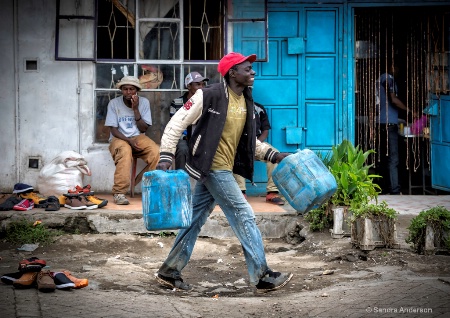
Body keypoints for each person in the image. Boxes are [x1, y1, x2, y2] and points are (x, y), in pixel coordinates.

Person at [155, 52, 293, 293]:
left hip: (222, 168)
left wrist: (274, 155)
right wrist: (166, 154)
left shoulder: (246, 101)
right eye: (247, 69)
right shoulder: (208, 95)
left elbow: (248, 141)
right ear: (232, 73)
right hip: (213, 168)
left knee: (193, 221)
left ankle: (169, 271)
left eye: (252, 69)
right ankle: (262, 275)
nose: (253, 72)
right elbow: (177, 123)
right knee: (244, 214)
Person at [104, 76, 160, 205]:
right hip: (118, 138)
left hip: (138, 136)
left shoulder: (144, 102)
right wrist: (129, 142)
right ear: (121, 90)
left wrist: (135, 109)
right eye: (125, 89)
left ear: (137, 90)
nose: (128, 92)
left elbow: (144, 128)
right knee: (125, 151)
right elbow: (113, 130)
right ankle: (119, 193)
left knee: (156, 152)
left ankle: (151, 189)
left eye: (132, 89)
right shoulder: (114, 103)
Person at [233, 102, 284, 205]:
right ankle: (241, 192)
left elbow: (265, 130)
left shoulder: (258, 108)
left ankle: (272, 192)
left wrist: (255, 144)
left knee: (276, 156)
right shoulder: (231, 107)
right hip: (237, 144)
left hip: (257, 143)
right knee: (237, 155)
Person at [375, 63, 408, 195]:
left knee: (384, 157)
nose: (398, 70)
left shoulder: (379, 79)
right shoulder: (388, 78)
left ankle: (383, 189)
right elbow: (393, 100)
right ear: (391, 65)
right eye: (397, 67)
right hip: (389, 123)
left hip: (382, 122)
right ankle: (395, 190)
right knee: (393, 158)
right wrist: (410, 110)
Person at [170, 72, 209, 170]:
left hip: (202, 139)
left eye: (203, 84)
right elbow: (174, 125)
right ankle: (181, 180)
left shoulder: (207, 102)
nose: (201, 87)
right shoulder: (177, 103)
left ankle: (207, 182)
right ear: (189, 86)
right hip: (184, 138)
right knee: (182, 149)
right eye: (198, 84)